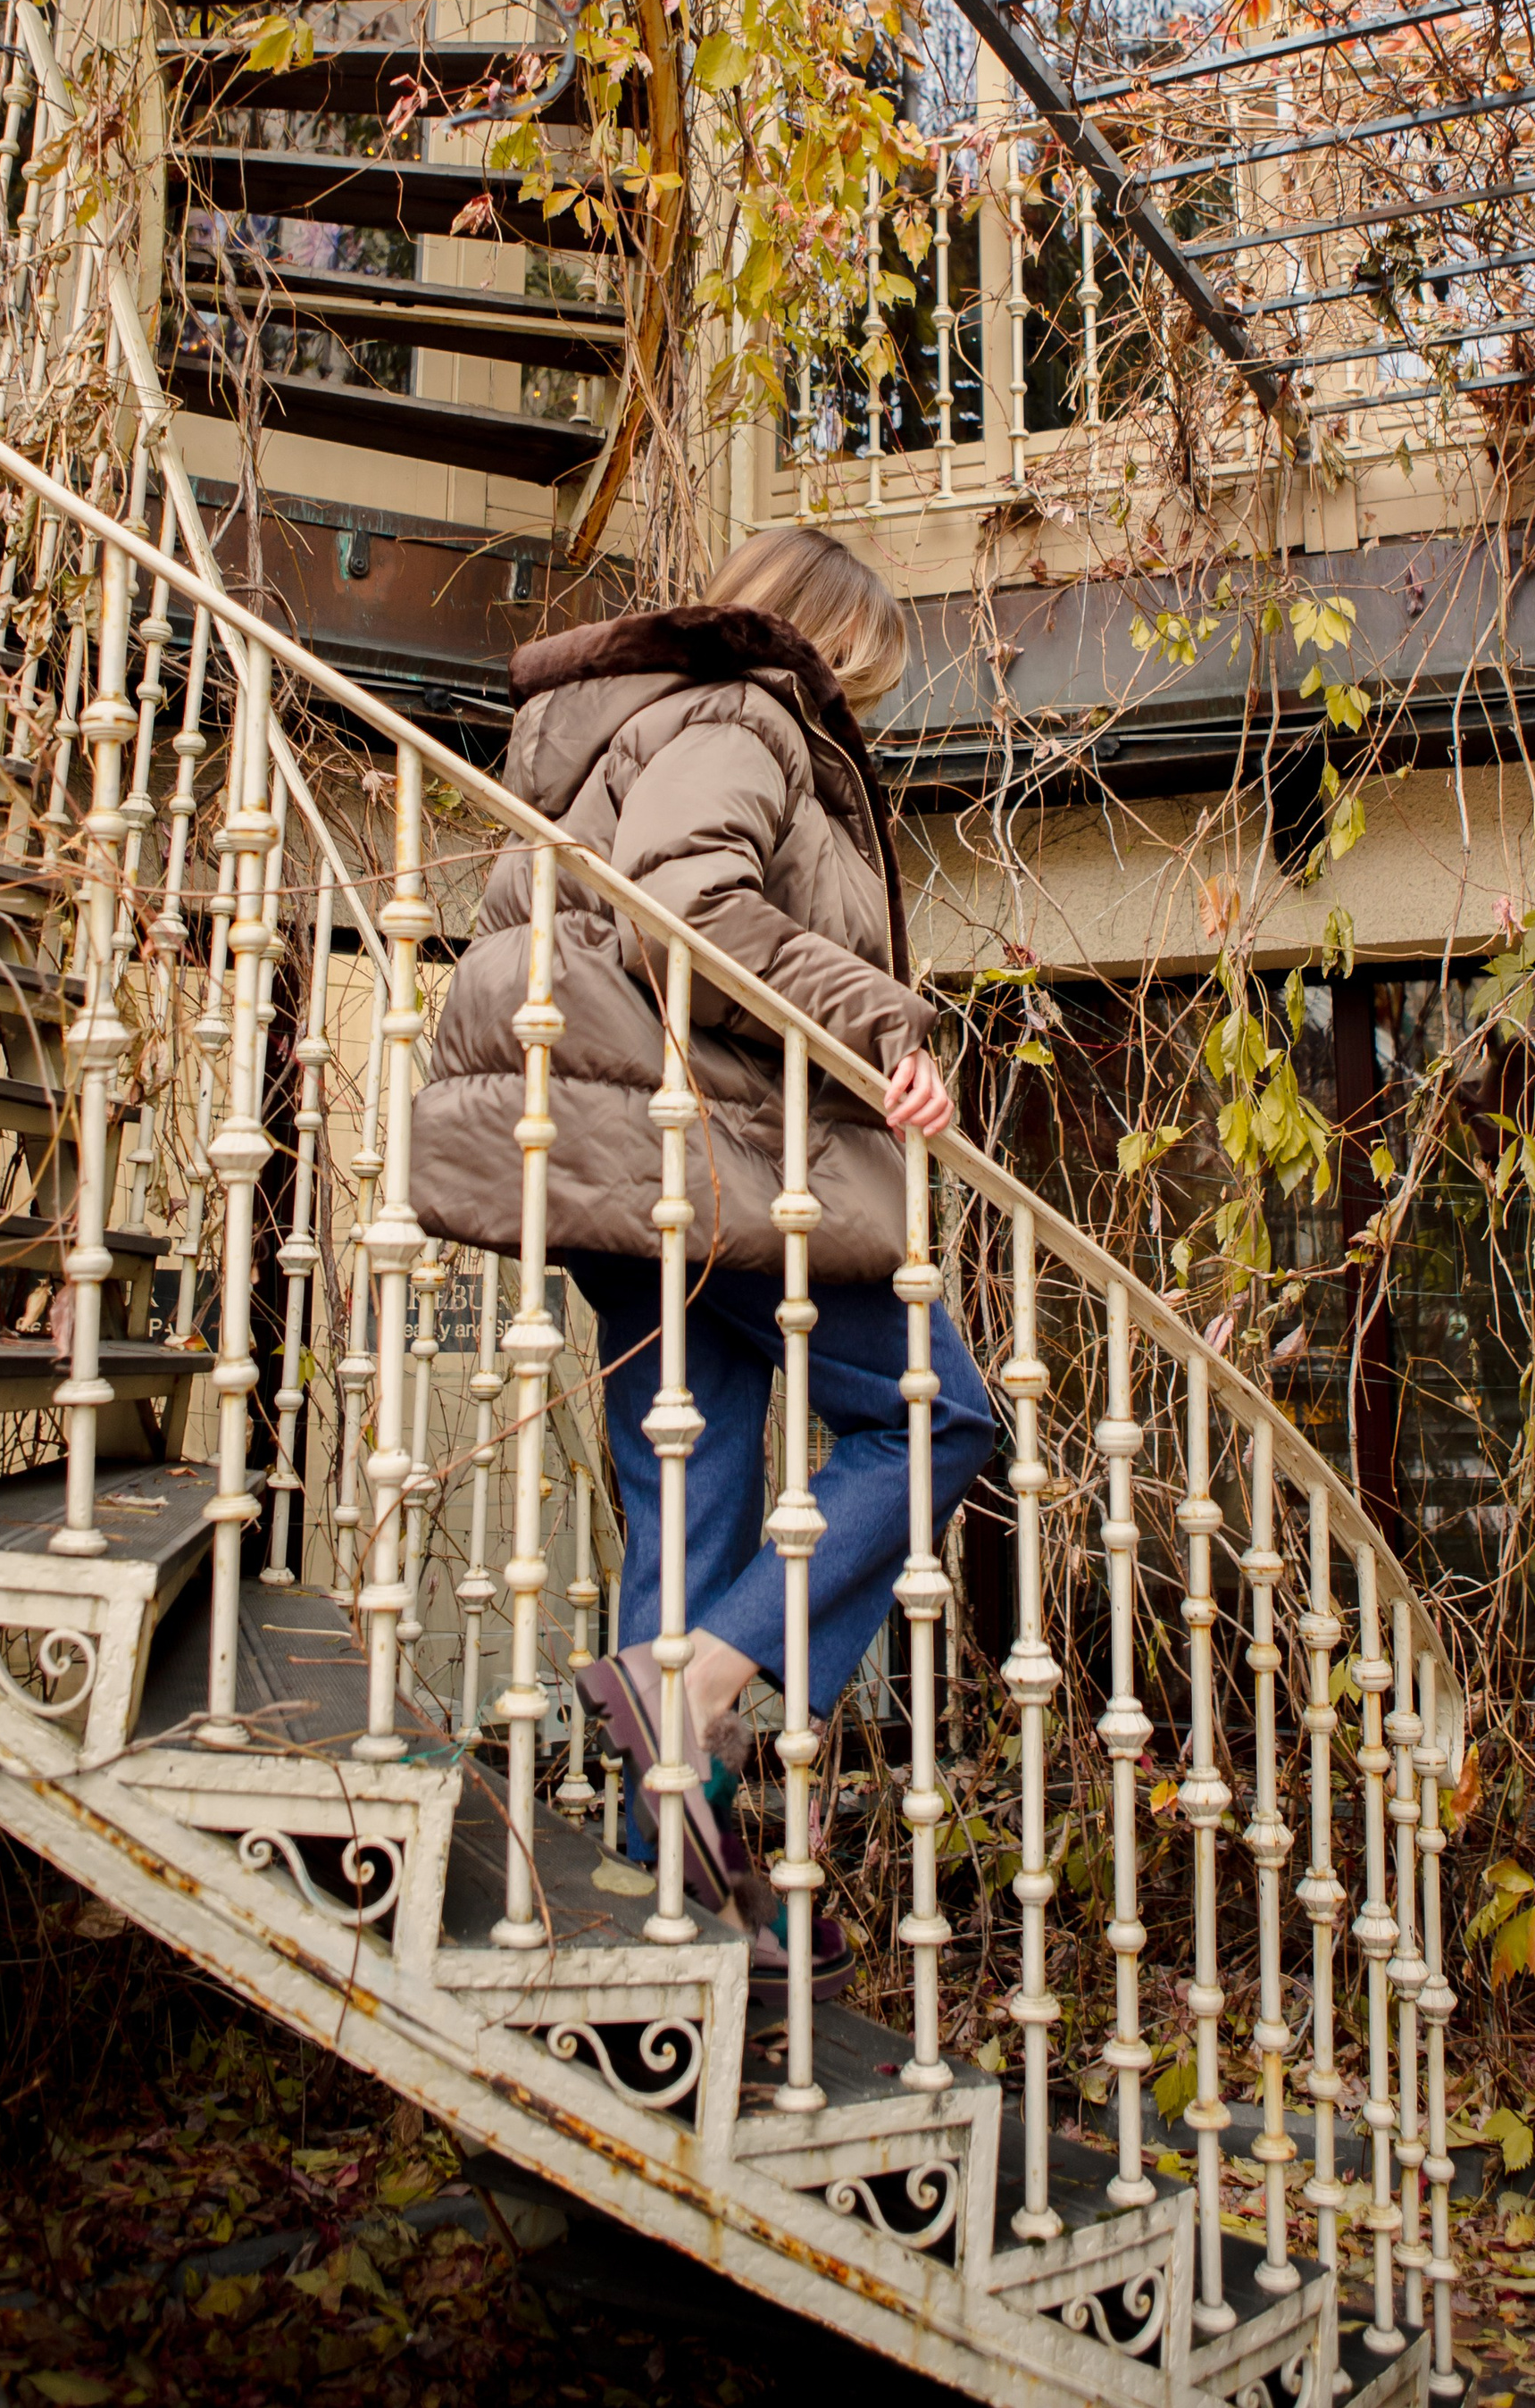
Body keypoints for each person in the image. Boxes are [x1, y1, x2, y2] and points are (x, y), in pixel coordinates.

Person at [410, 529, 996, 1999]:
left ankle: (657, 1845)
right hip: (715, 1157)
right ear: (828, 639)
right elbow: (690, 907)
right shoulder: (742, 715)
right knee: (937, 1412)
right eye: (868, 668)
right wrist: (880, 1032)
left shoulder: (652, 716)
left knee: (696, 1483)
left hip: (640, 1157)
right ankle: (700, 1683)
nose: (868, 699)